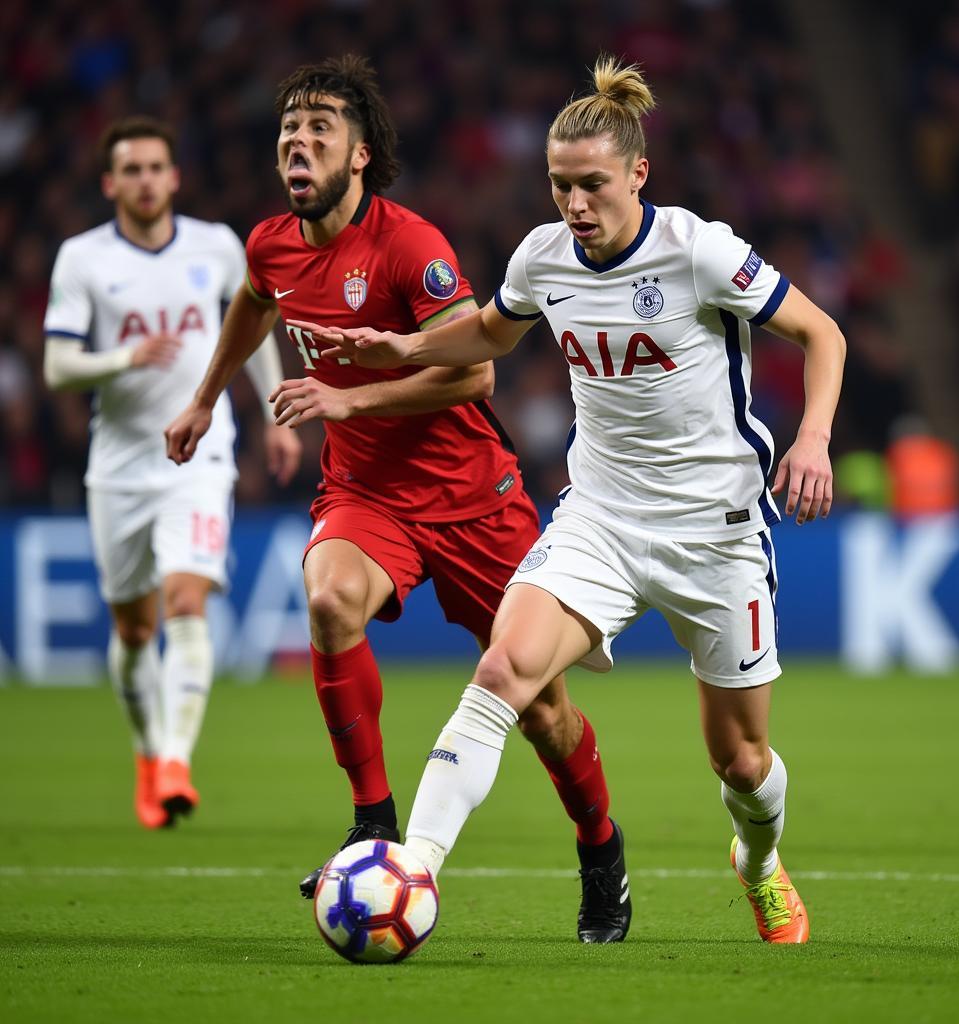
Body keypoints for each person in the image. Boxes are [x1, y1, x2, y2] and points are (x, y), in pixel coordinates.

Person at [299, 56, 847, 945]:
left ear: (638, 173)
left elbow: (820, 331)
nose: (575, 204)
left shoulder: (698, 248)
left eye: (592, 184)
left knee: (741, 762)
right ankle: (414, 870)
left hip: (715, 531)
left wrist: (814, 438)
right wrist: (396, 350)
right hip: (599, 518)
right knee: (503, 671)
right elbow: (488, 332)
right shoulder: (543, 255)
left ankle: (759, 862)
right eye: (560, 185)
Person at [164, 56, 630, 944]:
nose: (297, 146)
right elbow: (252, 304)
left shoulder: (410, 246)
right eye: (288, 134)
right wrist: (203, 395)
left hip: (472, 498)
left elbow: (475, 372)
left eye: (319, 133)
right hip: (366, 493)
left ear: (361, 155)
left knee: (541, 710)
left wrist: (348, 398)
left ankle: (600, 846)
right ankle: (374, 822)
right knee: (330, 596)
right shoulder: (270, 244)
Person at [43, 116, 301, 830]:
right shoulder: (83, 259)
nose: (146, 180)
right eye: (131, 170)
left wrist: (275, 412)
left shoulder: (216, 247)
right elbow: (58, 366)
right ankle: (147, 752)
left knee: (188, 601)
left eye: (156, 167)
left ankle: (177, 761)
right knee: (132, 631)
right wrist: (121, 359)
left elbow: (251, 325)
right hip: (120, 465)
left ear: (174, 176)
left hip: (199, 454)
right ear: (110, 183)